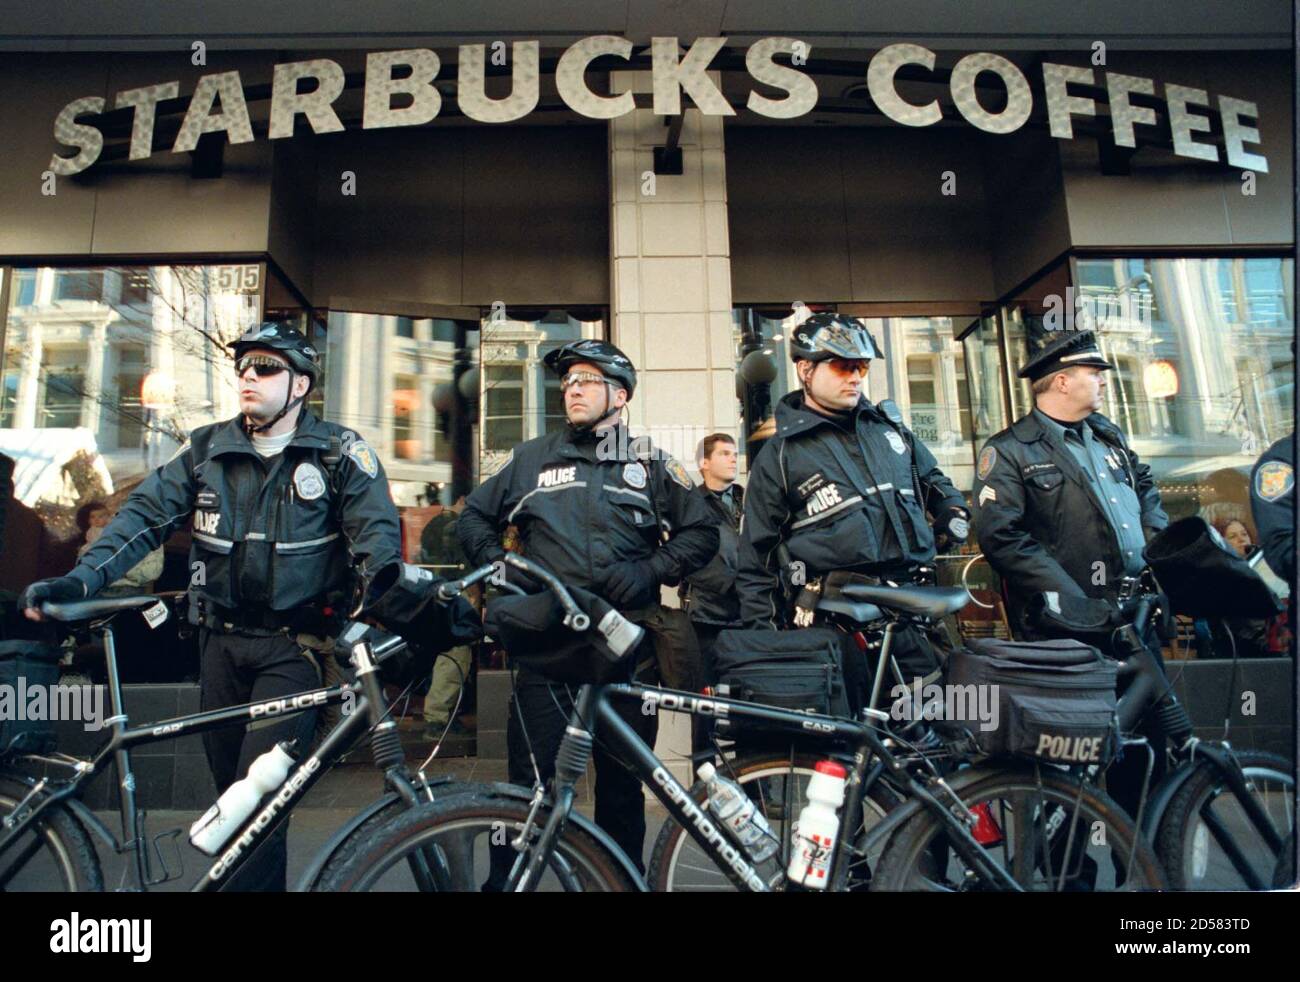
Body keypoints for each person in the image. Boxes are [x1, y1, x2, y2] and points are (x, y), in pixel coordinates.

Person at [20, 322, 404, 891]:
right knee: (233, 802)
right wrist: (79, 580)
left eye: (266, 368)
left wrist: (385, 605)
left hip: (292, 650)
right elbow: (140, 520)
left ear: (300, 385)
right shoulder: (205, 450)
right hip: (218, 647)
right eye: (244, 367)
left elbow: (376, 538)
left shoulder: (338, 454)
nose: (249, 376)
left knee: (261, 800)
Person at [457, 338, 718, 878]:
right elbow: (473, 519)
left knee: (623, 790)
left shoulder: (650, 461)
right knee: (527, 789)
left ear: (619, 395)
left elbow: (702, 532)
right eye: (568, 381)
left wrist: (650, 570)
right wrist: (508, 573)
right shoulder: (531, 458)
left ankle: (621, 882)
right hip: (548, 651)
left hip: (625, 650)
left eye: (587, 380)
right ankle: (507, 883)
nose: (573, 389)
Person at [972, 329, 1169, 820]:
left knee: (1146, 753)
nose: (1102, 381)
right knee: (1065, 766)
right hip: (1064, 633)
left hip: (1133, 619)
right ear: (1061, 381)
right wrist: (1076, 602)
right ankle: (1067, 877)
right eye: (1092, 373)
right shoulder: (1010, 449)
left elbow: (1145, 488)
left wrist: (1155, 545)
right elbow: (1002, 537)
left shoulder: (1108, 434)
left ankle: (1144, 866)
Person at [736, 312, 970, 705]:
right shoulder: (780, 454)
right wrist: (769, 641)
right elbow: (756, 558)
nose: (856, 377)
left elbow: (936, 483)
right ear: (806, 369)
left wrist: (952, 510)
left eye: (861, 366)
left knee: (930, 733)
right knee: (849, 747)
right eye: (844, 366)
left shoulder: (890, 429)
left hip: (911, 610)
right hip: (837, 623)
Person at [681, 432, 745, 682]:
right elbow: (683, 557)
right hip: (706, 618)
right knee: (707, 700)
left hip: (749, 617)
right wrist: (733, 583)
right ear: (704, 463)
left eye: (735, 454)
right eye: (725, 453)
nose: (733, 460)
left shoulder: (750, 499)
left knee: (748, 698)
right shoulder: (689, 504)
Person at [419, 494, 475, 742]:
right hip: (454, 600)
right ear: (462, 499)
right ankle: (437, 719)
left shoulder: (433, 525)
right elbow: (467, 573)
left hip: (435, 597)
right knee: (454, 658)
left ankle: (442, 716)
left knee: (448, 657)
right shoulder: (457, 528)